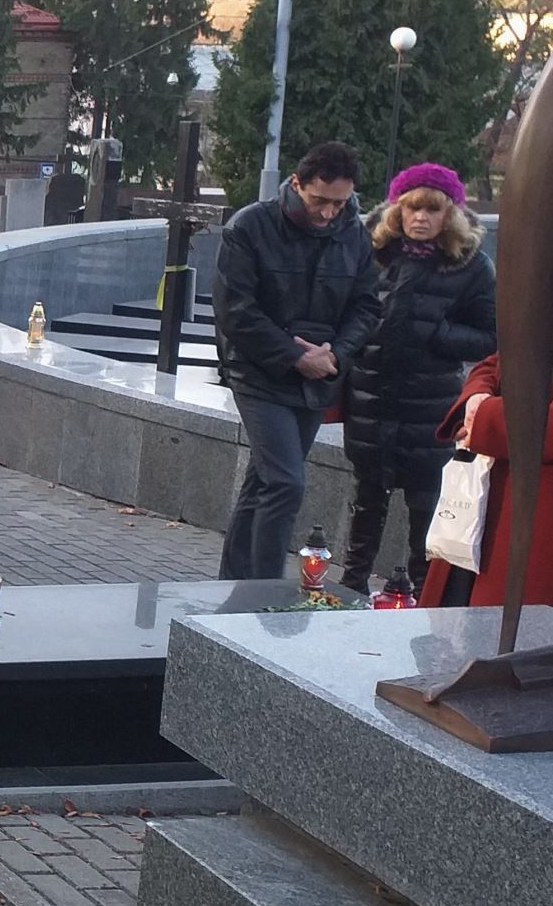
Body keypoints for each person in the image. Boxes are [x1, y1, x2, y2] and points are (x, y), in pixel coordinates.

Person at [213, 141, 381, 580]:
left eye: (339, 203)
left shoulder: (355, 233)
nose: (328, 213)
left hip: (319, 375)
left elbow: (367, 306)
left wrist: (335, 355)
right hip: (257, 371)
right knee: (286, 482)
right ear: (296, 183)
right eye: (319, 200)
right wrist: (294, 355)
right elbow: (236, 310)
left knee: (265, 480)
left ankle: (236, 584)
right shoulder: (250, 225)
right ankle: (266, 589)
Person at [338, 163, 496, 595]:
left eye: (432, 209)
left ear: (450, 216)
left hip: (430, 405)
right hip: (370, 399)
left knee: (425, 506)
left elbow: (491, 338)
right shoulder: (374, 253)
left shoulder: (471, 266)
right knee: (366, 501)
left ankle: (423, 597)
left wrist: (437, 333)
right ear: (398, 210)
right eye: (412, 208)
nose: (421, 218)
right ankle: (349, 590)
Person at [421, 355, 553, 608]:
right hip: (484, 498)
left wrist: (484, 418)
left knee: (517, 620)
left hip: (535, 514)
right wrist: (476, 396)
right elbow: (497, 362)